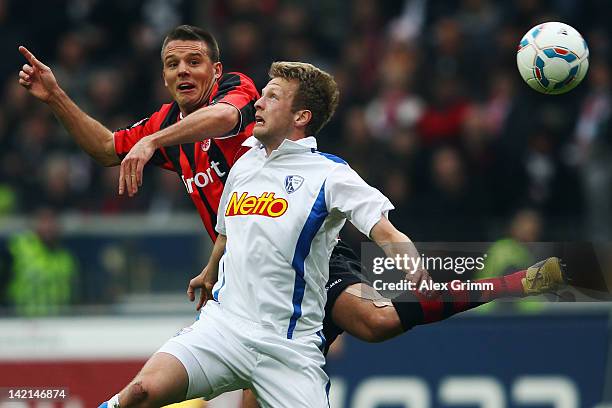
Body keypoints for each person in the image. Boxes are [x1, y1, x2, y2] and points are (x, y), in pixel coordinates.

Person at [19, 26, 565, 407]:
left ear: (216, 69)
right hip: (242, 283)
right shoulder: (219, 147)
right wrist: (57, 96)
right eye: (172, 63)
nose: (183, 71)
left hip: (302, 256)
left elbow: (222, 116)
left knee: (373, 322)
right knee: (196, 390)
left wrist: (152, 142)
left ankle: (510, 283)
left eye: (194, 61)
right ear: (163, 75)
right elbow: (107, 148)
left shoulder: (240, 100)